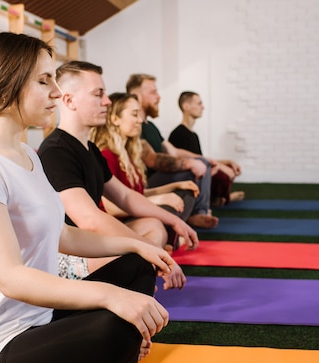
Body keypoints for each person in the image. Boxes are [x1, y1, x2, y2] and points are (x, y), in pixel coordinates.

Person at [0, 33, 175, 363]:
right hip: (2, 354)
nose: (56, 92)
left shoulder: (27, 154)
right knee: (116, 323)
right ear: (7, 84)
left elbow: (62, 234)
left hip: (45, 320)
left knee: (139, 268)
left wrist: (136, 245)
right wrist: (111, 296)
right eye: (44, 81)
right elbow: (11, 277)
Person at [38, 61, 197, 287]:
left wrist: (174, 221)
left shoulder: (90, 149)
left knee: (153, 225)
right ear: (69, 100)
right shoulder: (56, 151)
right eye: (98, 94)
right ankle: (142, 270)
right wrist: (148, 249)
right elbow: (89, 220)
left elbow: (125, 197)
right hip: (69, 252)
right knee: (135, 258)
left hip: (90, 242)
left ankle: (144, 269)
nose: (107, 101)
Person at [91, 92, 200, 241]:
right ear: (115, 119)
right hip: (117, 222)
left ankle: (170, 239)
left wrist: (175, 186)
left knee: (186, 192)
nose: (140, 120)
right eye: (135, 115)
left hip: (132, 214)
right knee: (155, 224)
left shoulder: (128, 154)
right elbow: (112, 207)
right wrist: (158, 200)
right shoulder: (106, 155)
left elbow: (138, 194)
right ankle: (169, 239)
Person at [126, 74, 218, 228]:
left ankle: (197, 213)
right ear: (137, 96)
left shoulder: (151, 127)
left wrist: (205, 159)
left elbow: (174, 151)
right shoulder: (134, 126)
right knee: (194, 169)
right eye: (153, 92)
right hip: (147, 182)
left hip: (157, 179)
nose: (159, 96)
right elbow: (151, 159)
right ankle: (197, 213)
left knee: (199, 166)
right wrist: (190, 164)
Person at [169, 91, 244, 207]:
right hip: (191, 175)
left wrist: (227, 162)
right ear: (186, 107)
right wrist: (221, 167)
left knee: (229, 168)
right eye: (199, 104)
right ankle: (218, 199)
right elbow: (194, 162)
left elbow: (201, 158)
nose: (203, 107)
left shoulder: (193, 135)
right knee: (222, 175)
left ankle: (219, 198)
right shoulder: (178, 134)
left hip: (200, 167)